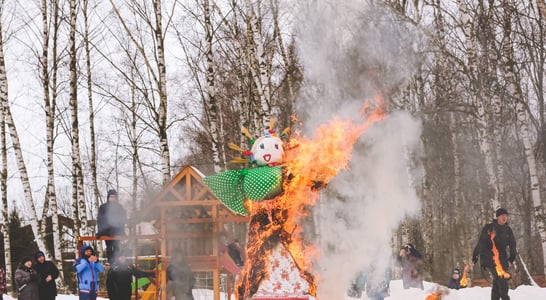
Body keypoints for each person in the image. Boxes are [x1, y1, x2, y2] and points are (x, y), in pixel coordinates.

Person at [472, 207, 516, 300]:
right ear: (498, 217)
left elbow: (513, 244)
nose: (504, 217)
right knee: (501, 280)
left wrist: (512, 257)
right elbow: (481, 242)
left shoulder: (507, 229)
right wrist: (475, 255)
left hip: (502, 258)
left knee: (497, 283)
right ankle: (505, 298)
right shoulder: (489, 228)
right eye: (502, 215)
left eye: (506, 215)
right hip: (490, 257)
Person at [97, 189, 127, 263]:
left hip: (117, 231)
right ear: (108, 197)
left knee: (117, 247)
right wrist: (100, 231)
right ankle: (111, 263)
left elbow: (122, 220)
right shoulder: (103, 207)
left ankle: (117, 263)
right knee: (109, 247)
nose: (112, 198)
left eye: (114, 197)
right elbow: (100, 220)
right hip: (106, 231)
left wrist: (122, 231)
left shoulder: (119, 207)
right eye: (111, 197)